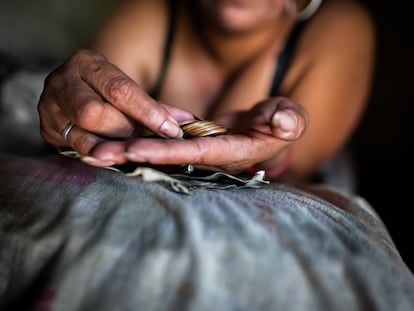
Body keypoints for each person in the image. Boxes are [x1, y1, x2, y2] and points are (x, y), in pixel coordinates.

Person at [37, 0, 375, 185]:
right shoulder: (151, 13)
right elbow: (85, 122)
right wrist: (65, 125)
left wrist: (270, 148)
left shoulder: (339, 26)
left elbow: (298, 169)